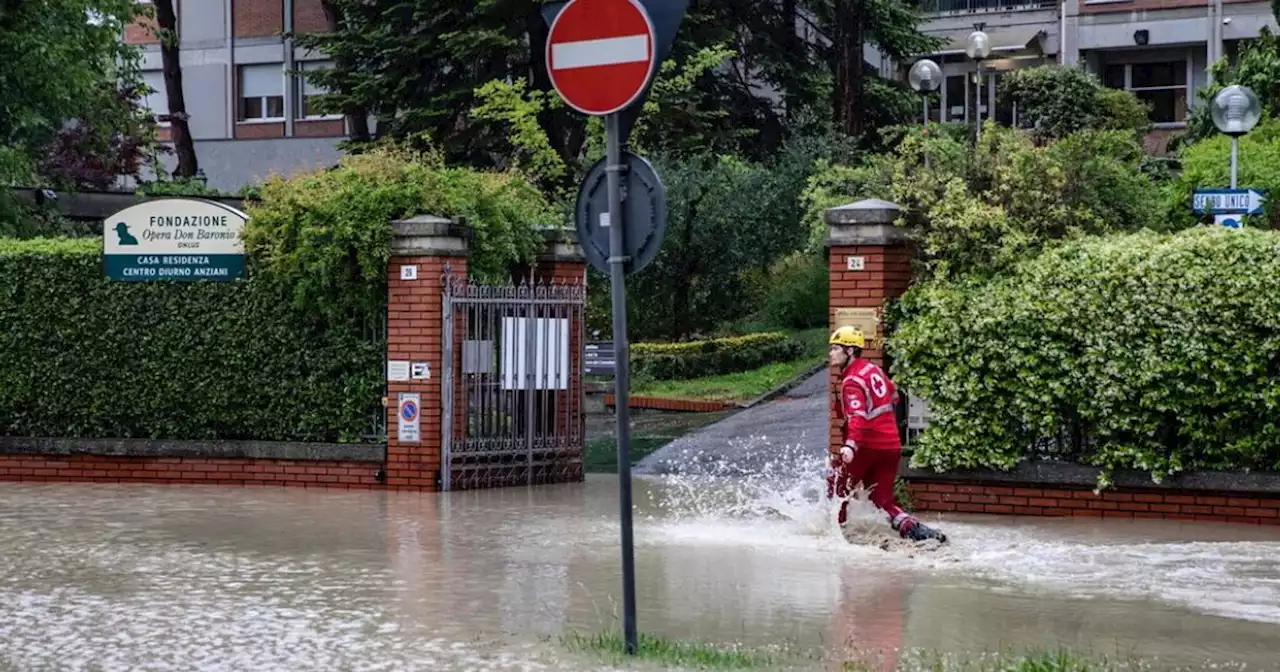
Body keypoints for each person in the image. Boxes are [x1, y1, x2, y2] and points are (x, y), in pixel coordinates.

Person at [826, 326, 947, 544]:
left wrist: (851, 444)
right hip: (891, 445)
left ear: (850, 351)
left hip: (866, 446)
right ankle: (917, 532)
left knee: (837, 488)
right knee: (882, 498)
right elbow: (893, 395)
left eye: (836, 349)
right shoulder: (873, 370)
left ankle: (837, 536)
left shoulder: (851, 381)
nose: (831, 354)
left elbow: (858, 416)